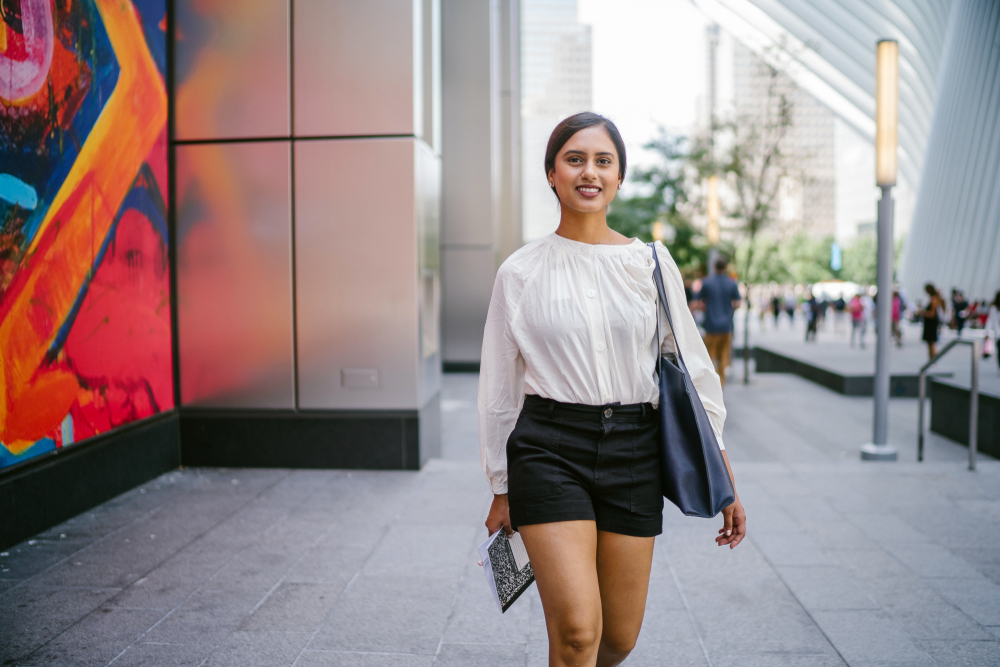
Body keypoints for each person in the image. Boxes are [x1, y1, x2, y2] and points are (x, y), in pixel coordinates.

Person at [479, 112, 746, 667]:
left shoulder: (649, 262)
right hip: (549, 448)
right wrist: (502, 487)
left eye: (604, 161)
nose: (589, 172)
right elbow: (500, 389)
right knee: (578, 632)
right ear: (551, 173)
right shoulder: (520, 272)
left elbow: (693, 368)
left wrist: (722, 470)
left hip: (634, 450)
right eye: (575, 159)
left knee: (617, 638)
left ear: (619, 178)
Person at [695, 257, 741, 385]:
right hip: (726, 327)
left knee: (709, 358)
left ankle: (710, 386)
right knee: (723, 358)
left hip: (710, 326)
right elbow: (737, 303)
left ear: (714, 267)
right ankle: (720, 386)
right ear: (726, 267)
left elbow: (697, 302)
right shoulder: (732, 283)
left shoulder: (707, 283)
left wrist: (704, 310)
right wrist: (729, 311)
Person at [918, 283, 946, 359]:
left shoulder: (933, 299)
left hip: (931, 324)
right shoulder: (934, 298)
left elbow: (932, 314)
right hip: (930, 323)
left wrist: (922, 313)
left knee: (931, 343)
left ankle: (933, 359)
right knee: (930, 343)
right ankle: (932, 359)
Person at [987, 292, 1000, 373]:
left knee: (999, 352)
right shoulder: (994, 309)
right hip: (998, 335)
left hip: (997, 335)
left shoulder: (993, 309)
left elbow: (990, 321)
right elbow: (990, 321)